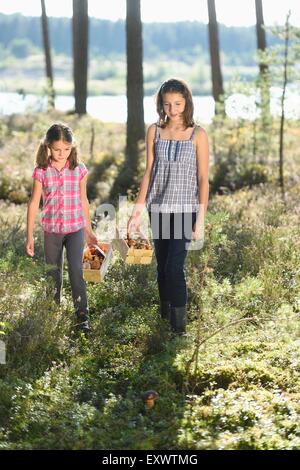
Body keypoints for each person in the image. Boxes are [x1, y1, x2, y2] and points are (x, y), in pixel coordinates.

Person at [128, 78, 209, 335]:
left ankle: (179, 328)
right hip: (158, 208)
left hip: (186, 210)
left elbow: (203, 178)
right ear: (161, 105)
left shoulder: (198, 134)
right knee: (162, 267)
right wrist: (137, 209)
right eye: (167, 104)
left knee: (175, 267)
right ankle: (165, 319)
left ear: (187, 102)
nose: (173, 109)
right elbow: (149, 171)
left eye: (178, 103)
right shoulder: (154, 130)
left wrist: (201, 219)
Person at [26, 123, 98, 333]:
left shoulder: (79, 169)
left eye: (67, 149)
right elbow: (33, 203)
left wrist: (88, 230)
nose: (62, 154)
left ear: (72, 147)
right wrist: (29, 235)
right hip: (52, 231)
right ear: (48, 146)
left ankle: (82, 316)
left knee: (76, 271)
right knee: (53, 273)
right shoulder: (42, 171)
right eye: (57, 149)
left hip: (75, 228)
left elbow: (84, 201)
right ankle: (52, 313)